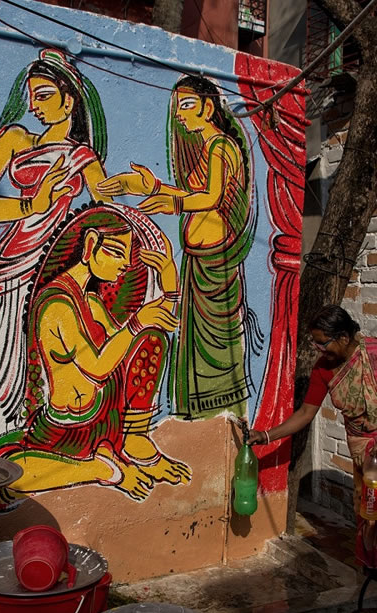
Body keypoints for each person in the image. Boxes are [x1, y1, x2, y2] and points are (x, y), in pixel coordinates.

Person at [0, 203, 191, 502]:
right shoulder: (57, 305)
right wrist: (136, 324)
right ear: (90, 245)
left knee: (151, 337)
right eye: (117, 253)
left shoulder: (89, 301)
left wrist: (170, 287)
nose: (125, 265)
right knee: (8, 477)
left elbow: (137, 340)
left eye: (127, 256)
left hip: (102, 420)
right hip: (66, 429)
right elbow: (96, 368)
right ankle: (100, 469)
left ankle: (134, 439)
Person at [0, 49, 110, 448]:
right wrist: (31, 204)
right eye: (31, 97)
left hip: (56, 268)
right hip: (9, 264)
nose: (34, 106)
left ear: (69, 100)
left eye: (43, 95)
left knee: (50, 360)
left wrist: (160, 193)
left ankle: (40, 450)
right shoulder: (13, 140)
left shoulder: (82, 156)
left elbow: (108, 207)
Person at [98, 75, 257, 421]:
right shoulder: (206, 148)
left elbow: (211, 198)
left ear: (208, 107)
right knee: (193, 341)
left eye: (187, 105)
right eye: (178, 108)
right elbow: (193, 193)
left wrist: (172, 204)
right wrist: (151, 185)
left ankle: (217, 412)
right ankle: (199, 412)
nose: (180, 115)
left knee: (215, 345)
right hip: (198, 260)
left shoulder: (220, 145)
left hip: (217, 263)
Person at [247, 305, 377, 570]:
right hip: (364, 455)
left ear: (345, 338)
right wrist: (266, 436)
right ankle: (372, 581)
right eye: (315, 343)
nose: (318, 349)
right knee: (368, 517)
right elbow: (305, 413)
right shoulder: (324, 370)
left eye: (322, 343)